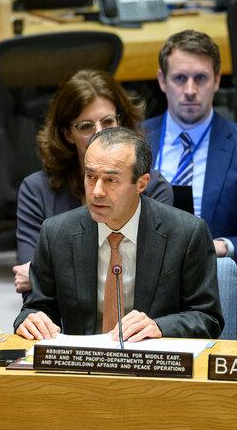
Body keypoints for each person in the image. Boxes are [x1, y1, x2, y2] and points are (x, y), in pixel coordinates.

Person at [14, 127, 223, 342]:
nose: (97, 191)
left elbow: (208, 318)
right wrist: (30, 320)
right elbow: (36, 308)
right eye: (91, 176)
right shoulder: (56, 233)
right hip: (83, 358)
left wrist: (160, 326)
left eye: (111, 180)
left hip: (151, 356)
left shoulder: (186, 233)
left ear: (141, 183)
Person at [143, 29, 237, 340]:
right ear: (162, 81)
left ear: (217, 80)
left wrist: (222, 246)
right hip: (142, 288)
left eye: (201, 78)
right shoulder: (134, 140)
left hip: (215, 291)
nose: (190, 90)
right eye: (180, 79)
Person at [15, 69, 173, 294]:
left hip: (137, 313)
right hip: (59, 316)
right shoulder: (36, 190)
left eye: (108, 122)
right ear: (68, 134)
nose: (100, 134)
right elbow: (29, 284)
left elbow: (154, 278)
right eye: (86, 126)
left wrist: (45, 274)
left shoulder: (151, 186)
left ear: (121, 122)